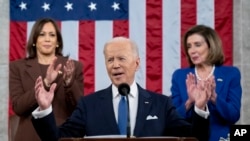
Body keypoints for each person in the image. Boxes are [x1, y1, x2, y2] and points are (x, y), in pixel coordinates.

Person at [31, 36, 210, 141]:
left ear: (137, 63)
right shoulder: (89, 105)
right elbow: (57, 139)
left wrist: (200, 108)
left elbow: (195, 138)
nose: (115, 65)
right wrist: (45, 109)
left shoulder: (161, 104)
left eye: (121, 59)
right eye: (110, 60)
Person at [9, 18, 84, 141]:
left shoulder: (73, 66)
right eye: (42, 34)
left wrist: (69, 83)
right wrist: (46, 83)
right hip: (29, 136)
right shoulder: (18, 67)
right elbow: (19, 107)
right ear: (34, 40)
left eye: (52, 35)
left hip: (62, 136)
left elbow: (79, 109)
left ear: (57, 41)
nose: (47, 39)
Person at [170, 25, 242, 141]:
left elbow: (233, 116)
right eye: (189, 46)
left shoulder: (231, 74)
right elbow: (172, 118)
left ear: (211, 46)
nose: (192, 51)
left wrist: (214, 97)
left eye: (197, 45)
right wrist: (190, 102)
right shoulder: (179, 76)